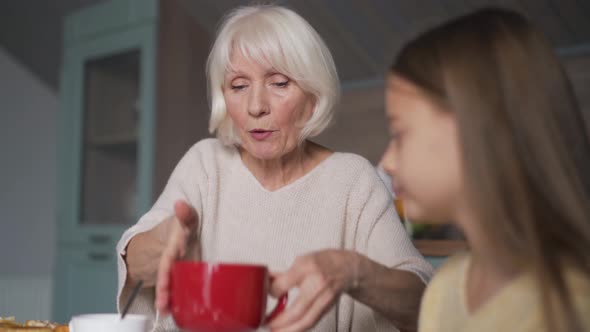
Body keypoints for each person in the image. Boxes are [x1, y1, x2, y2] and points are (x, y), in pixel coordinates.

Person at [116, 5, 433, 332]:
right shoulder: (205, 164)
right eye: (238, 86)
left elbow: (426, 302)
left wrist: (356, 272)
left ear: (313, 96)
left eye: (279, 83)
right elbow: (134, 263)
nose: (256, 106)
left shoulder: (354, 181)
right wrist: (163, 240)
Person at [379, 7, 590, 332]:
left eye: (399, 134)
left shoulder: (569, 306)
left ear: (473, 129)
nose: (387, 162)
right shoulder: (445, 287)